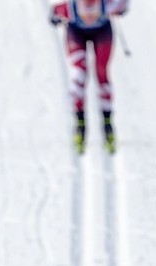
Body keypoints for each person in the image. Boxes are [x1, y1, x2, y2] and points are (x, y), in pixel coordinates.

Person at [50, 0, 129, 153]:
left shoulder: (108, 5)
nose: (89, 18)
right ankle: (80, 124)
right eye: (86, 14)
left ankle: (107, 123)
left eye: (92, 13)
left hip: (102, 32)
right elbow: (55, 11)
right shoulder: (70, 8)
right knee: (79, 75)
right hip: (76, 33)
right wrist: (54, 17)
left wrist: (122, 9)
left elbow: (122, 4)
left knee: (101, 73)